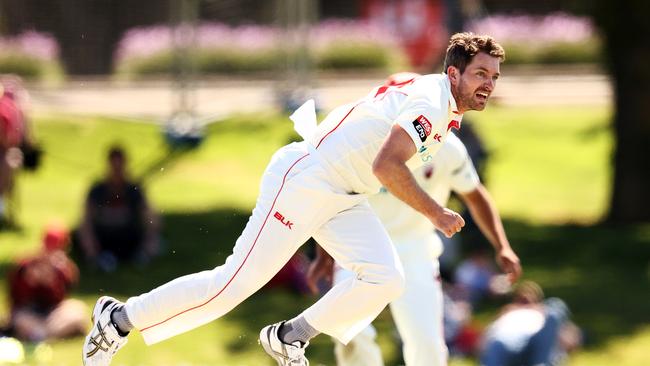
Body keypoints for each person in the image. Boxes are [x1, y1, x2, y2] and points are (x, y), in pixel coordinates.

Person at [82, 32, 520, 366]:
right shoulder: (433, 101)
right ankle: (119, 318)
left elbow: (371, 141)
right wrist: (437, 213)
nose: (489, 84)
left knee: (387, 278)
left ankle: (290, 335)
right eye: (481, 74)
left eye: (495, 77)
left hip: (344, 193)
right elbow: (387, 166)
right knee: (230, 286)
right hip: (307, 180)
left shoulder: (436, 99)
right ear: (453, 74)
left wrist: (330, 248)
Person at [306, 128, 519, 365]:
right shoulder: (366, 140)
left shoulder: (448, 147)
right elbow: (337, 201)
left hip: (416, 250)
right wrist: (325, 257)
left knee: (426, 341)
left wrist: (503, 246)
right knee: (350, 333)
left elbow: (475, 196)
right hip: (361, 249)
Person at [76, 145, 160, 272]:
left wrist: (149, 240)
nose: (117, 171)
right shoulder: (97, 190)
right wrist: (90, 249)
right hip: (104, 240)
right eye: (114, 167)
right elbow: (86, 221)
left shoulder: (134, 190)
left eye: (120, 167)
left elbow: (151, 218)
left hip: (128, 239)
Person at [7, 223, 88, 342]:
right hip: (29, 312)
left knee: (77, 309)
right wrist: (30, 281)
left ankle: (41, 335)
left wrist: (51, 283)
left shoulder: (65, 270)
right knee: (20, 318)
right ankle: (45, 334)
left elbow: (61, 299)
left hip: (52, 315)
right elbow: (15, 299)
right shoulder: (26, 265)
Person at [479, 281, 582, 366]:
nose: (526, 297)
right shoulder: (507, 311)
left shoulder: (545, 312)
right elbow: (487, 335)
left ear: (538, 300)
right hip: (505, 343)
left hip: (534, 344)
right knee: (496, 344)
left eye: (531, 295)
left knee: (556, 306)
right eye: (521, 296)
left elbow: (570, 338)